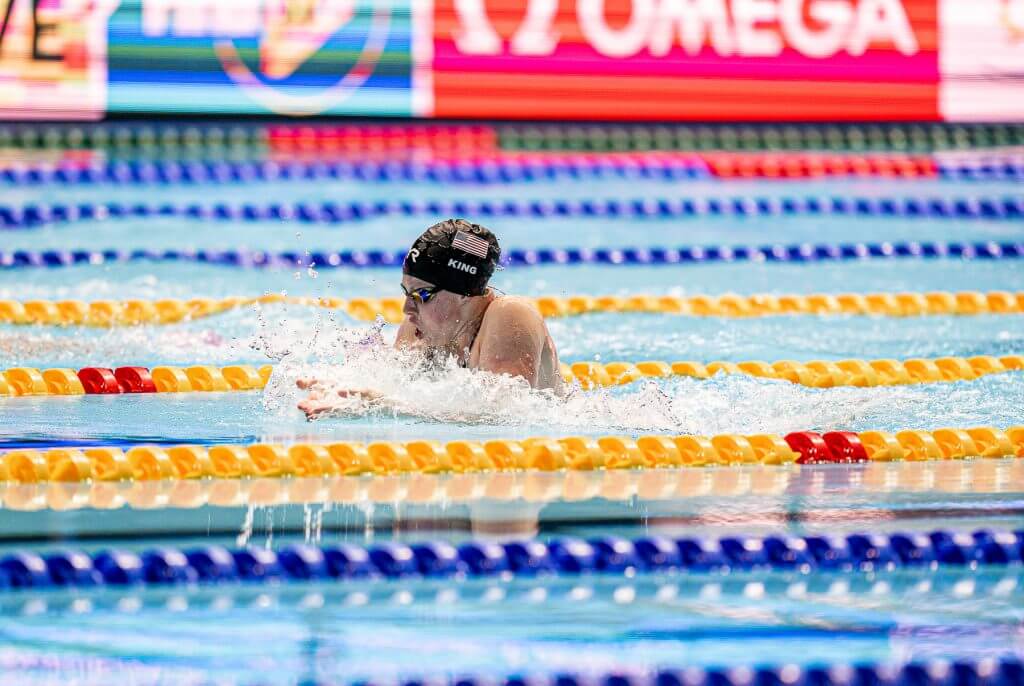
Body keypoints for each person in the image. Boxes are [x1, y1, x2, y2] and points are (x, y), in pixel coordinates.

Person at [298, 219, 564, 419]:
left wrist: (380, 401)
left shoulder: (510, 315)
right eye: (406, 293)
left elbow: (504, 413)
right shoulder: (418, 332)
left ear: (464, 293)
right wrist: (346, 391)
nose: (407, 310)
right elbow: (390, 386)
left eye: (422, 294)